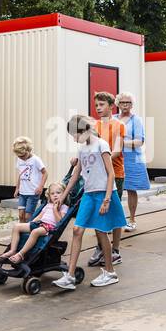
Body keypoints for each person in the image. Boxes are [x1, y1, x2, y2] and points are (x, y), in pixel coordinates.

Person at [55, 115, 125, 289]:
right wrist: (63, 196)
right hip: (88, 194)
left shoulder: (101, 144)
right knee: (77, 230)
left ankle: (110, 273)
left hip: (103, 193)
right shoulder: (82, 150)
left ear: (85, 130)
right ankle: (70, 276)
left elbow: (111, 174)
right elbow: (76, 174)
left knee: (101, 233)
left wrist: (107, 199)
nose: (75, 139)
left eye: (75, 135)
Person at [88, 92, 127, 266]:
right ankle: (101, 247)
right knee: (99, 211)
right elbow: (88, 146)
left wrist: (101, 160)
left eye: (101, 105)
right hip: (97, 175)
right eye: (96, 105)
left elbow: (117, 151)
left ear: (111, 106)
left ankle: (115, 250)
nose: (98, 108)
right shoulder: (94, 125)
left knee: (115, 211)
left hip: (115, 173)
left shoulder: (119, 125)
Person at [1, 183, 66, 266]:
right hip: (39, 224)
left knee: (35, 232)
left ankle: (21, 254)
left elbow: (60, 222)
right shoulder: (48, 205)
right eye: (52, 194)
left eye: (58, 193)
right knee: (17, 227)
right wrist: (30, 224)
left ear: (64, 194)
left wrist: (55, 210)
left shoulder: (64, 207)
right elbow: (39, 216)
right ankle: (13, 250)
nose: (55, 195)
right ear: (49, 196)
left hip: (49, 227)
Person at [116, 92, 148, 232]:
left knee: (130, 189)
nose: (125, 105)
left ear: (132, 104)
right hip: (115, 157)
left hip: (132, 158)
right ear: (117, 103)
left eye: (128, 103)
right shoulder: (113, 119)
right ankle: (114, 221)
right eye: (122, 102)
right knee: (114, 190)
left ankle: (132, 219)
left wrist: (121, 143)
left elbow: (140, 141)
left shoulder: (136, 120)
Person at [12, 137, 46, 223]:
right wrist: (17, 188)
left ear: (29, 150)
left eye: (23, 156)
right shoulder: (19, 160)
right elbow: (20, 175)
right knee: (21, 215)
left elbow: (45, 173)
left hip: (33, 193)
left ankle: (28, 233)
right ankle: (21, 232)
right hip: (23, 193)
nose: (21, 158)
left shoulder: (36, 160)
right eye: (19, 156)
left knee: (28, 217)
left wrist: (41, 187)